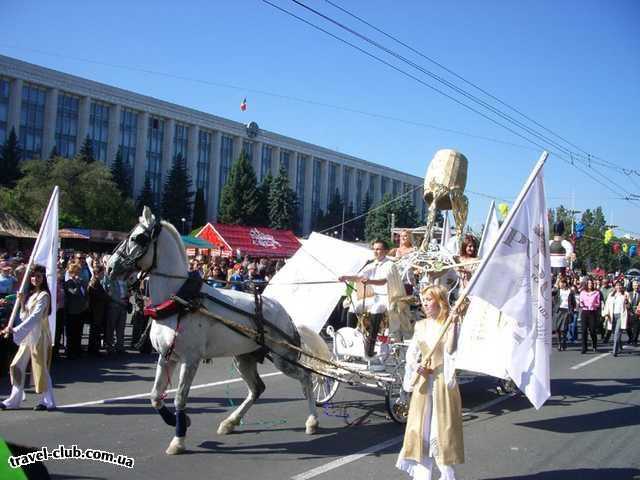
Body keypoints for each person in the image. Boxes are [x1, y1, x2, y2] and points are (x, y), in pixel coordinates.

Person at [396, 284, 463, 480]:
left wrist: (455, 325)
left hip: (442, 380)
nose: (425, 304)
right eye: (423, 300)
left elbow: (451, 351)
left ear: (440, 301)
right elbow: (411, 353)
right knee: (421, 426)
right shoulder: (420, 325)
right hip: (424, 382)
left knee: (441, 429)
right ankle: (422, 475)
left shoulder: (449, 323)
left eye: (429, 299)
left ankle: (447, 474)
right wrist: (417, 365)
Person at [338, 239, 405, 362]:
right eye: (374, 249)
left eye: (379, 249)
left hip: (387, 297)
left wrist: (369, 281)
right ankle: (351, 343)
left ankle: (370, 347)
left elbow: (384, 281)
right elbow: (360, 277)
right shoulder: (372, 264)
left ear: (385, 251)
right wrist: (346, 277)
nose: (376, 251)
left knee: (376, 308)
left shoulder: (390, 265)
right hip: (375, 297)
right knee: (354, 307)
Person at [0, 265, 56, 410]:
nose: (35, 279)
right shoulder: (32, 295)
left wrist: (14, 329)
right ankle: (14, 399)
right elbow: (24, 316)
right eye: (33, 276)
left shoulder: (44, 295)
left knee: (40, 368)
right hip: (27, 336)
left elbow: (35, 318)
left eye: (38, 276)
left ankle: (48, 401)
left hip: (39, 336)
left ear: (43, 278)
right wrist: (22, 303)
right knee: (16, 365)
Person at [64, 262, 89, 358]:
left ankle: (77, 349)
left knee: (79, 331)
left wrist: (86, 301)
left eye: (79, 272)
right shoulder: (68, 283)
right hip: (72, 311)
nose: (77, 274)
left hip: (80, 310)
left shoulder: (82, 282)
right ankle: (70, 351)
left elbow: (85, 293)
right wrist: (77, 284)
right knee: (71, 332)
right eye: (75, 272)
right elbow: (74, 293)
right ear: (71, 273)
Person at [87, 264, 109, 355]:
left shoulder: (97, 282)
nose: (103, 275)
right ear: (97, 273)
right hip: (95, 310)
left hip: (98, 310)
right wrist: (107, 296)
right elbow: (98, 296)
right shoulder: (94, 283)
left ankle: (94, 349)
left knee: (96, 330)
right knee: (94, 331)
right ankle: (93, 350)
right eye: (102, 273)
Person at [603, 281, 630, 357]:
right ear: (614, 286)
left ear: (622, 286)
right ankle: (620, 346)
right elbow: (607, 305)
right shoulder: (611, 295)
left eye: (620, 285)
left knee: (617, 332)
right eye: (617, 285)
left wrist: (626, 301)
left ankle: (615, 351)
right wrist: (606, 314)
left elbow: (628, 306)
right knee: (615, 333)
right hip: (612, 315)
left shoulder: (625, 294)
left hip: (621, 316)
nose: (618, 287)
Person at [553, 277, 576, 351]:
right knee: (557, 328)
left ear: (566, 283)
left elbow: (573, 302)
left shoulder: (570, 292)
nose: (562, 284)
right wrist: (556, 282)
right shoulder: (557, 291)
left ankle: (563, 343)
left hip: (566, 311)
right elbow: (551, 292)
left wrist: (572, 310)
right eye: (561, 282)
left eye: (563, 282)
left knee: (563, 329)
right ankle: (559, 343)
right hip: (558, 310)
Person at [579, 278, 600, 354]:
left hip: (592, 312)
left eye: (591, 283)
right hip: (584, 312)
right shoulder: (582, 292)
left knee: (592, 330)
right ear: (586, 284)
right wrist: (582, 304)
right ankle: (584, 347)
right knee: (584, 330)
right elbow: (580, 301)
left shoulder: (596, 293)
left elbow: (598, 303)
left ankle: (594, 345)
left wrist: (594, 305)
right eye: (589, 283)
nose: (590, 285)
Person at [629, 280, 640, 346]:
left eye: (637, 285)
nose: (636, 287)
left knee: (636, 327)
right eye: (635, 285)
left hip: (638, 312)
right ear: (632, 286)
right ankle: (631, 337)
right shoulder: (629, 293)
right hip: (630, 311)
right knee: (628, 327)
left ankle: (634, 340)